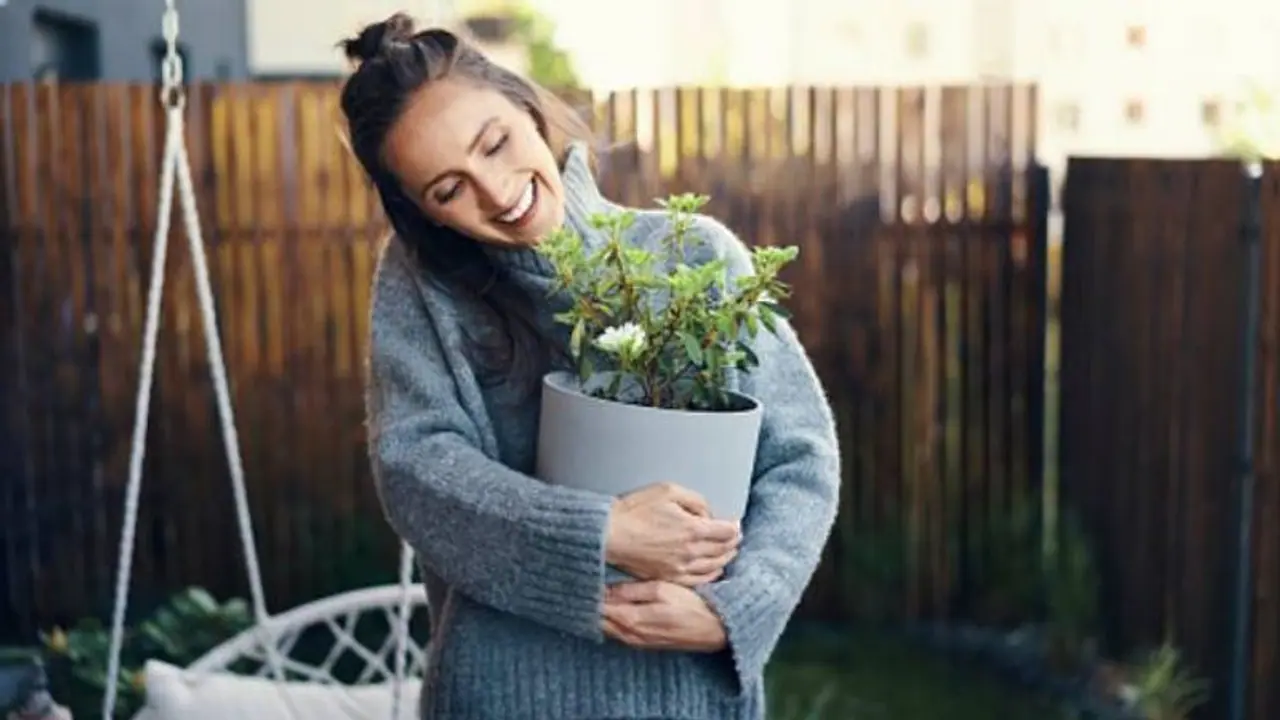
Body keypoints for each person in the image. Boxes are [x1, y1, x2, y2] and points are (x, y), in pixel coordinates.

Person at [342, 13, 840, 720]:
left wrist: (733, 613)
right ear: (425, 214)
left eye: (495, 144)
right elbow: (414, 467)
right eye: (447, 189)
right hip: (501, 695)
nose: (494, 190)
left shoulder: (694, 257)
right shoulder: (424, 290)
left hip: (685, 688)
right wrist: (602, 531)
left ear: (526, 108)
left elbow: (800, 458)